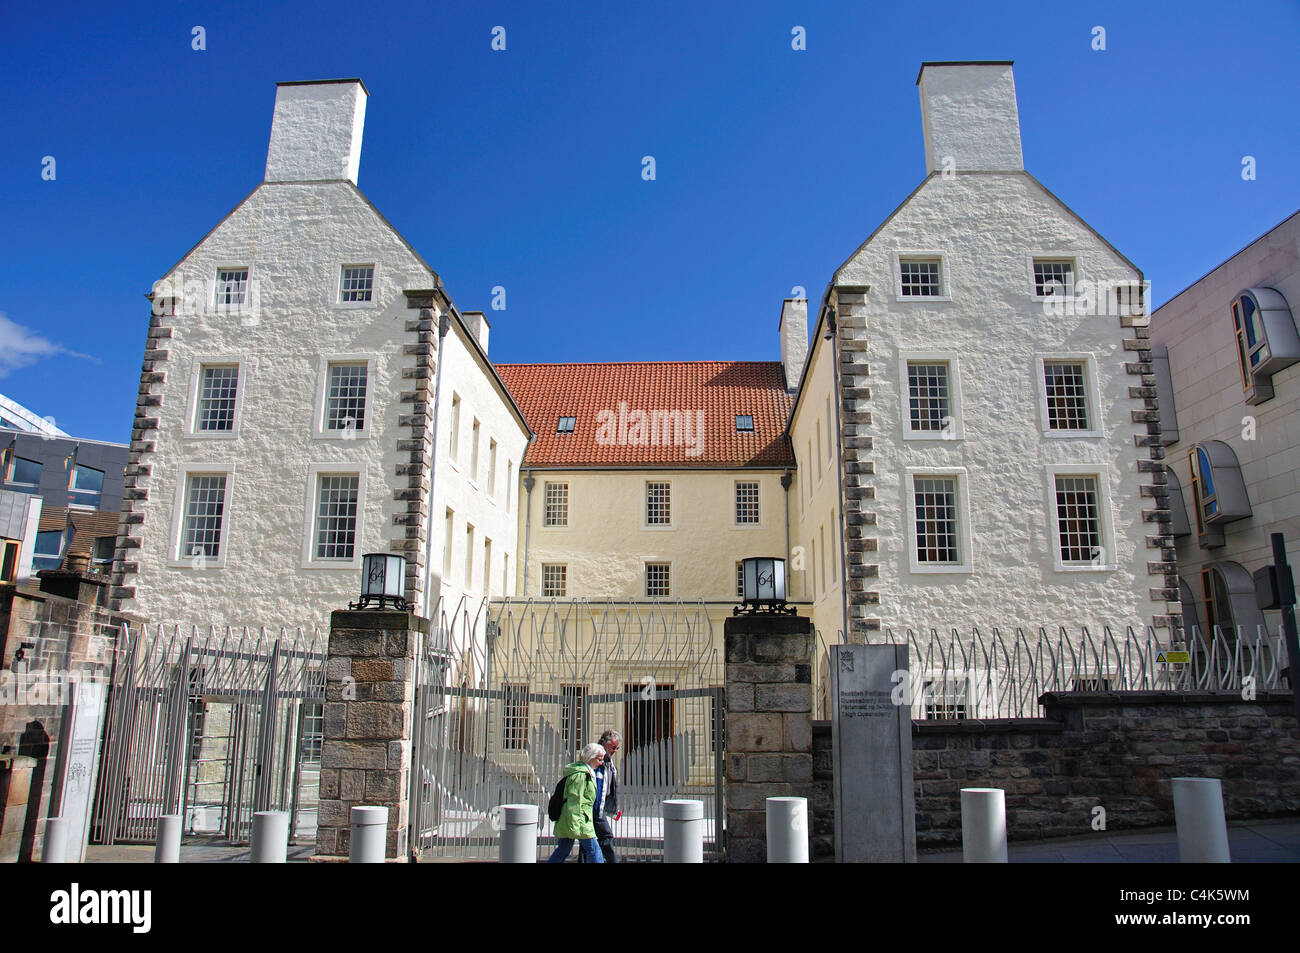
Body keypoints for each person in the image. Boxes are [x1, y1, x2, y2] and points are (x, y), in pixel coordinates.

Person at [546, 743, 605, 863]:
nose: (601, 763)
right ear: (591, 758)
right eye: (599, 759)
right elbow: (575, 802)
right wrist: (576, 826)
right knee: (595, 851)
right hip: (580, 821)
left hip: (574, 819)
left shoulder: (583, 772)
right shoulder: (581, 775)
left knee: (563, 850)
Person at [591, 729, 621, 863]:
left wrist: (614, 806)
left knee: (589, 842)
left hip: (600, 807)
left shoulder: (609, 761)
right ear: (604, 744)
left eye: (617, 748)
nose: (615, 750)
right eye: (613, 747)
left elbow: (610, 787)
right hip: (594, 807)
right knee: (606, 836)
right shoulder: (597, 759)